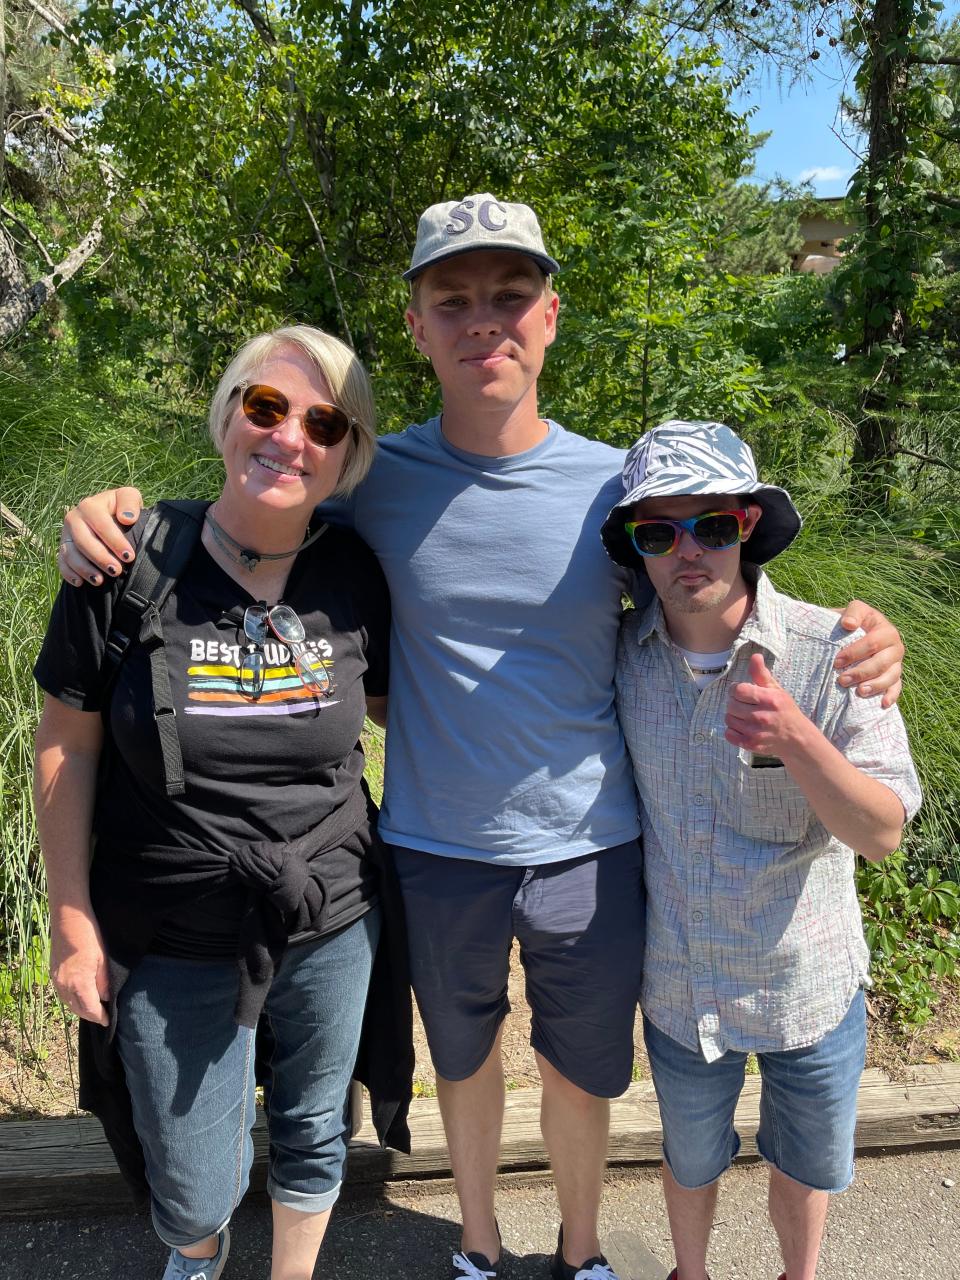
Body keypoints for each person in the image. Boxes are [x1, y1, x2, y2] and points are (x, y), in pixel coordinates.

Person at [56, 196, 907, 1280]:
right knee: (463, 1056)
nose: (483, 320)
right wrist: (125, 512)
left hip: (592, 842)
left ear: (552, 315)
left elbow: (710, 581)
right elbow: (254, 513)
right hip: (437, 840)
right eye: (452, 299)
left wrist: (855, 635)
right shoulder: (370, 479)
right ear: (415, 326)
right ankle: (476, 1241)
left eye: (510, 296)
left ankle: (584, 1251)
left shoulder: (617, 487)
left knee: (581, 1068)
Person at [34, 325, 411, 1280]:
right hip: (171, 920)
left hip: (330, 910)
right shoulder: (126, 562)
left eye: (323, 422)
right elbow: (65, 746)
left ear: (347, 455)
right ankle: (197, 1256)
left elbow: (425, 701)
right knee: (195, 1177)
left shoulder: (356, 575)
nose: (289, 436)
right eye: (266, 405)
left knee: (314, 1124)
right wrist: (70, 920)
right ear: (229, 415)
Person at [600, 420, 922, 1280]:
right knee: (690, 1155)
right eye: (658, 532)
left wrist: (801, 740)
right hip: (682, 983)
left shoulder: (836, 653)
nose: (687, 552)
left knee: (803, 1162)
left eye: (711, 524)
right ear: (636, 548)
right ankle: (690, 1272)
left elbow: (884, 832)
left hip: (805, 984)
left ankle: (798, 1275)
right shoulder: (617, 658)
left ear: (747, 525)